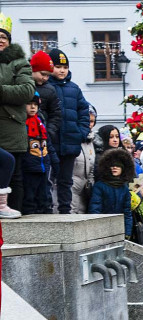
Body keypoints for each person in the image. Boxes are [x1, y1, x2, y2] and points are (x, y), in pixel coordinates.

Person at [47, 48, 90, 215]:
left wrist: (81, 133)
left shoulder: (74, 88)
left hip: (70, 143)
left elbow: (83, 111)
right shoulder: (47, 87)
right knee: (49, 179)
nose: (62, 70)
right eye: (58, 67)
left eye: (65, 67)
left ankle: (65, 211)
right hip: (52, 142)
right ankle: (47, 210)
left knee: (66, 180)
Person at [0, 16, 33, 215]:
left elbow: (27, 91)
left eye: (3, 37)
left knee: (14, 176)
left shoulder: (19, 62)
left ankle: (15, 219)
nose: (0, 40)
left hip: (12, 127)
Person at [29, 50, 60, 194]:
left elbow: (56, 114)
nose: (45, 78)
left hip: (44, 137)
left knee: (46, 173)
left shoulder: (50, 90)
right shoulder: (24, 85)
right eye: (43, 74)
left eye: (48, 75)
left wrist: (49, 131)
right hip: (27, 137)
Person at [88, 148, 134, 238]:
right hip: (102, 230)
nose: (114, 167)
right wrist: (97, 230)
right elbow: (95, 210)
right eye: (112, 165)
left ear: (123, 168)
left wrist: (127, 232)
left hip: (119, 229)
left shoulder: (124, 188)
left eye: (118, 165)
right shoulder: (99, 186)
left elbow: (127, 212)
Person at [21, 94, 51, 215]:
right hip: (29, 165)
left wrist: (51, 160)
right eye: (29, 104)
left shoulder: (41, 122)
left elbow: (48, 142)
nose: (33, 107)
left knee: (44, 195)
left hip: (43, 164)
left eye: (35, 105)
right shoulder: (23, 124)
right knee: (29, 196)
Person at [70, 106, 96, 214]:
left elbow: (91, 166)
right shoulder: (71, 137)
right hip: (70, 189)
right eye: (87, 121)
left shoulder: (90, 141)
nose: (89, 124)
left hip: (84, 191)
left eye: (92, 121)